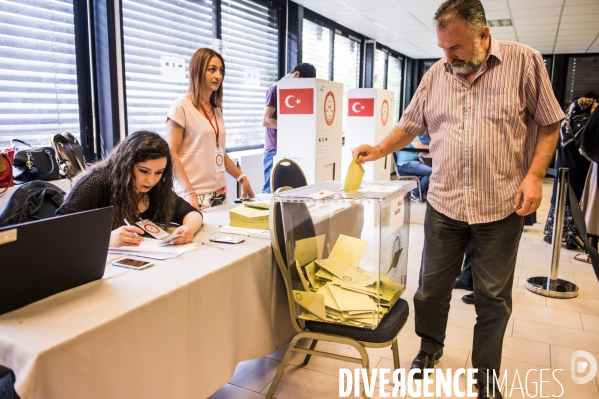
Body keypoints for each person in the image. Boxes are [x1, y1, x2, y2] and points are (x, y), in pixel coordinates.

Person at [352, 1, 564, 397]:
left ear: (484, 36)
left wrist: (535, 176)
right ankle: (430, 349)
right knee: (429, 290)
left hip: (501, 206)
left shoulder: (525, 63)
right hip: (446, 205)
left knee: (493, 298)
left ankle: (486, 376)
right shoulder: (436, 75)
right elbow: (409, 124)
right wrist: (379, 150)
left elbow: (549, 123)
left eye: (456, 49)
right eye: (442, 49)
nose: (447, 59)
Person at [57, 131, 203, 248]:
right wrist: (107, 240)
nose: (151, 180)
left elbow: (191, 212)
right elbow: (59, 232)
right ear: (126, 165)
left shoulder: (156, 189)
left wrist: (189, 229)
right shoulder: (95, 183)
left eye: (158, 173)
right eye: (144, 171)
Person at [166, 48, 254, 209]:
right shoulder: (181, 106)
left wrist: (242, 178)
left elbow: (219, 152)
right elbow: (172, 154)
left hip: (219, 191)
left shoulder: (216, 109)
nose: (218, 76)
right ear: (197, 70)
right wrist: (188, 192)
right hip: (193, 194)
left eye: (221, 70)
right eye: (212, 70)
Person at [543, 92, 598, 249]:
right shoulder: (586, 125)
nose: (595, 109)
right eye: (592, 106)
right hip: (579, 169)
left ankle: (553, 232)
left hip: (563, 166)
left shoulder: (565, 122)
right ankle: (572, 237)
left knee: (559, 200)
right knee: (575, 202)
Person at [261, 63, 316, 193]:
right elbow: (266, 120)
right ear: (296, 74)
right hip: (274, 149)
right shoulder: (275, 89)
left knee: (286, 192)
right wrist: (291, 127)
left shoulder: (290, 92)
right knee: (271, 193)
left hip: (288, 148)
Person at [395, 132, 431, 202]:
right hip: (406, 165)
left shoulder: (408, 135)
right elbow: (421, 148)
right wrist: (435, 147)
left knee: (431, 169)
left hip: (409, 163)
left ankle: (422, 192)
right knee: (431, 172)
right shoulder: (411, 135)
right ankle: (415, 192)